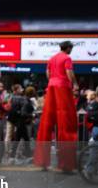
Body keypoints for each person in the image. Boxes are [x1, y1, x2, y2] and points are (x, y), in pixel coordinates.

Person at [33, 40, 78, 172]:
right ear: (68, 48)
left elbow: (48, 73)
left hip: (51, 87)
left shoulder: (52, 58)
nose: (71, 50)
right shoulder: (67, 58)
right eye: (71, 48)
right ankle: (66, 164)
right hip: (63, 88)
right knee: (66, 122)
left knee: (46, 122)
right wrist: (74, 84)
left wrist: (53, 81)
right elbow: (69, 72)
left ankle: (43, 162)